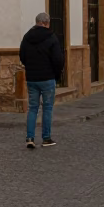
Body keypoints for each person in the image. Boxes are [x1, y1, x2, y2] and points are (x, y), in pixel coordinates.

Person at [20, 12, 64, 148]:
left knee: (33, 108)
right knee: (47, 108)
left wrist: (30, 67)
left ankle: (30, 137)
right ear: (46, 23)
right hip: (47, 78)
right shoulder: (51, 37)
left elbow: (22, 56)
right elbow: (58, 59)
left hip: (32, 78)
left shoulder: (27, 37)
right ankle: (46, 138)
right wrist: (56, 75)